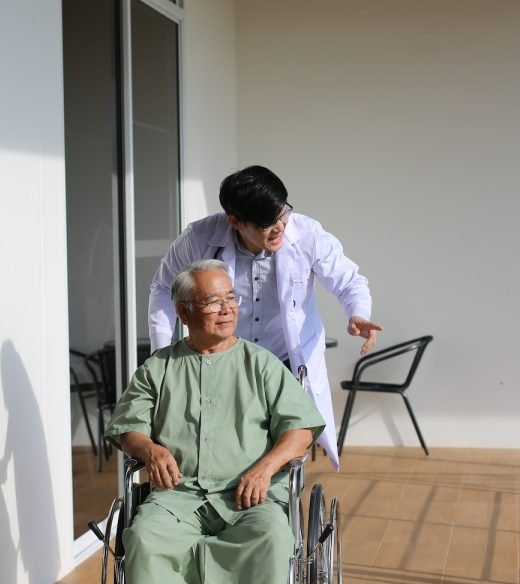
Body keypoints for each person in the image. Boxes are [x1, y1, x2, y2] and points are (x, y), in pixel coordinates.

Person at [106, 260, 324, 584]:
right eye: (212, 301)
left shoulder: (260, 364)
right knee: (143, 536)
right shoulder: (159, 368)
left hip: (250, 495)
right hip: (177, 495)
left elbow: (301, 429)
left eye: (231, 298)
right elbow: (127, 427)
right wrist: (148, 448)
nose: (227, 309)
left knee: (275, 536)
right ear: (184, 313)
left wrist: (266, 468)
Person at [149, 165, 383, 469]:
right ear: (235, 221)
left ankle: (276, 506)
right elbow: (163, 287)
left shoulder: (307, 233)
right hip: (224, 360)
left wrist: (358, 314)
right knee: (225, 443)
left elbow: (349, 281)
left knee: (284, 449)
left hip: (285, 361)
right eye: (266, 224)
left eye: (282, 214)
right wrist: (160, 350)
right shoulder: (199, 237)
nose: (280, 227)